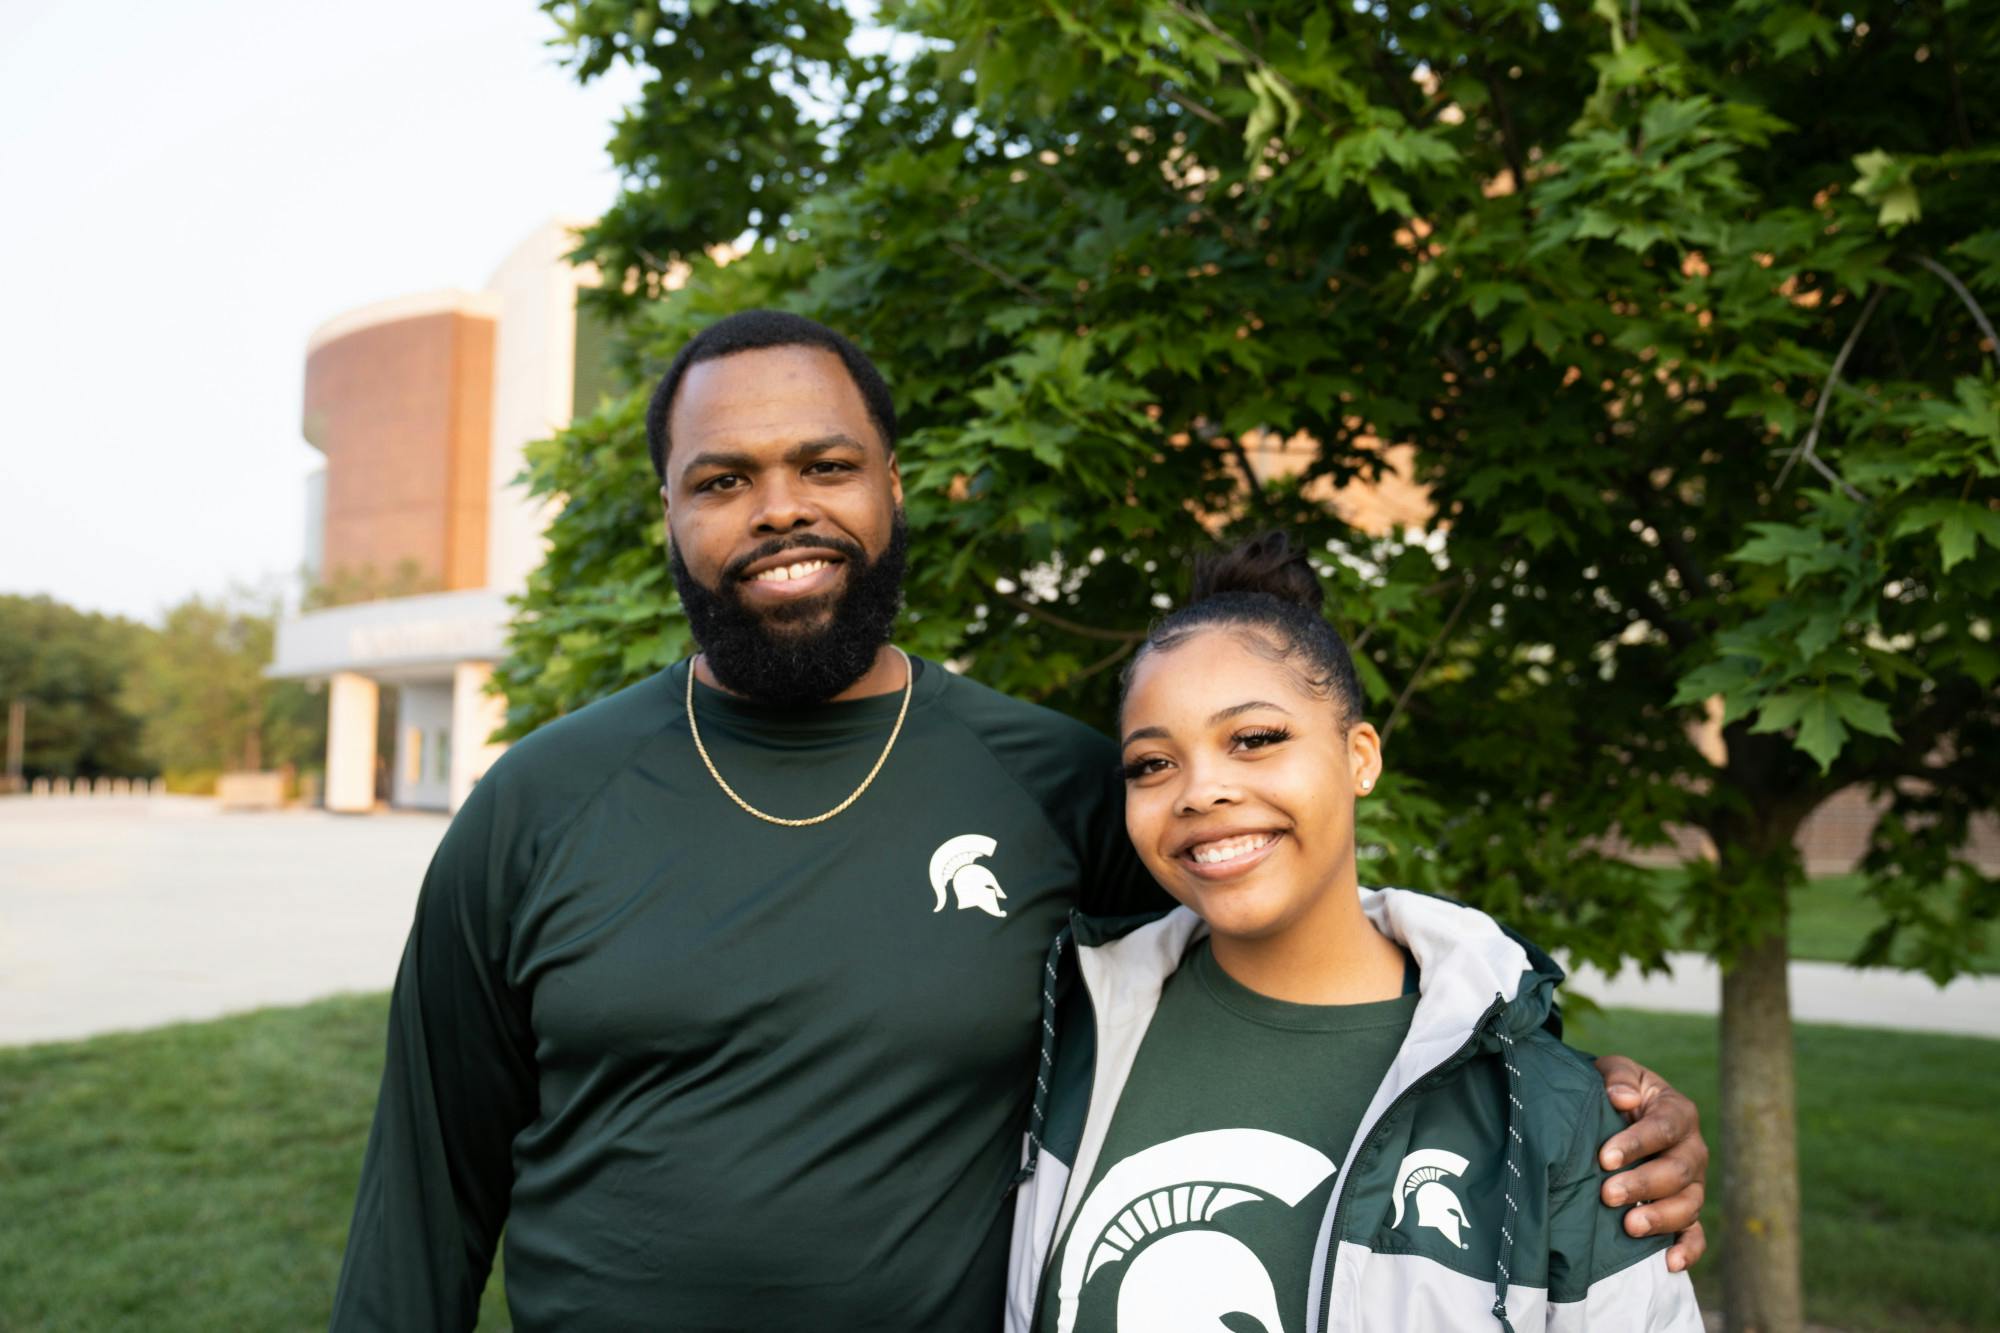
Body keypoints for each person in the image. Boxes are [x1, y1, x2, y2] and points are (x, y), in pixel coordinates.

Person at [330, 311, 1708, 1331]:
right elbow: (425, 1192)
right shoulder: (535, 805)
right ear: (669, 517)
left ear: (893, 489)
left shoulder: (1057, 785)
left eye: (826, 463)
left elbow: (1303, 966)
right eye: (722, 479)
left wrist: (1572, 1117)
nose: (782, 510)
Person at [1007, 532, 1701, 1332]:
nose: (1201, 790)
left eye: (1255, 739)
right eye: (1152, 765)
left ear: (1360, 756)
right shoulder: (1066, 1036)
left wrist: (1590, 1117)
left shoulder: (1547, 1112)